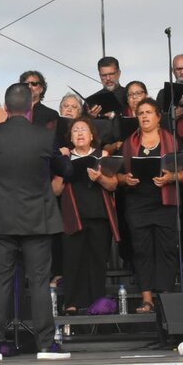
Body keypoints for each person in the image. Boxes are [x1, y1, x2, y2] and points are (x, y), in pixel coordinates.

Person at [0, 83, 72, 360]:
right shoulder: (44, 136)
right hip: (37, 219)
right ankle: (46, 345)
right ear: (30, 107)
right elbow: (65, 169)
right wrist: (64, 158)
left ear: (5, 107)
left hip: (0, 219)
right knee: (39, 282)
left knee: (0, 282)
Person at [117, 98, 182, 313]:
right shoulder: (129, 143)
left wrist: (171, 177)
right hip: (138, 202)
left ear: (158, 117)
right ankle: (147, 299)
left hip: (165, 201)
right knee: (141, 250)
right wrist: (126, 179)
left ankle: (165, 297)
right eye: (140, 113)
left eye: (148, 112)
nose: (144, 116)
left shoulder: (172, 140)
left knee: (167, 249)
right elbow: (118, 175)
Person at [52, 116, 120, 314]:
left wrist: (100, 178)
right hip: (73, 216)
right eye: (75, 130)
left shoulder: (103, 154)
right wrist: (63, 167)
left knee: (97, 261)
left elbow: (113, 184)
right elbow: (55, 190)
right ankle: (72, 303)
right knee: (73, 261)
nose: (79, 133)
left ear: (91, 136)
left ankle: (97, 304)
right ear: (70, 138)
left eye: (83, 130)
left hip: (99, 215)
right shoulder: (64, 158)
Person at [156, 53, 183, 148]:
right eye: (178, 69)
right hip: (172, 146)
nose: (182, 72)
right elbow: (156, 121)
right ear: (172, 71)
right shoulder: (163, 94)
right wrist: (176, 114)